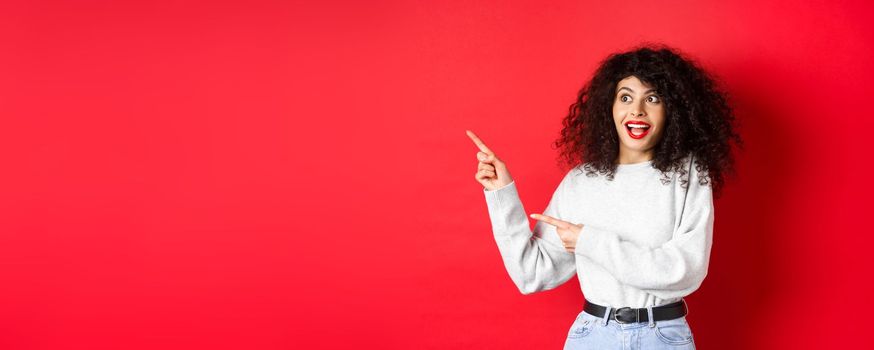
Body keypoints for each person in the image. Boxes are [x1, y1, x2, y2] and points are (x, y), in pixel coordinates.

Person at [466, 43, 743, 349]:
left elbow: (684, 271)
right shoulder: (581, 182)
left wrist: (589, 242)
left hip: (663, 337)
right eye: (626, 97)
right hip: (594, 336)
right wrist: (502, 194)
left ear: (672, 110)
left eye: (652, 98)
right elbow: (531, 274)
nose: (637, 110)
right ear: (609, 108)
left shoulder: (688, 174)